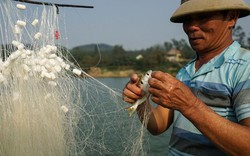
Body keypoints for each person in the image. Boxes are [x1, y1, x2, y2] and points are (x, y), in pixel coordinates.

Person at [122, 0, 250, 155]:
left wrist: (189, 105)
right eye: (187, 19)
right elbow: (158, 125)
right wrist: (141, 101)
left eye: (202, 16)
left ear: (231, 17)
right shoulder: (185, 71)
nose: (191, 27)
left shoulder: (245, 67)